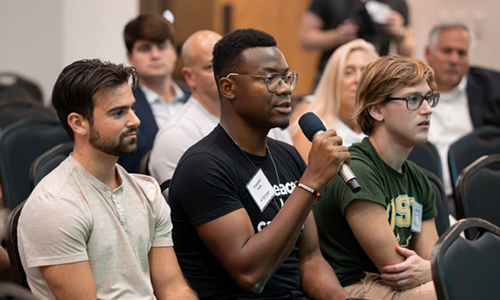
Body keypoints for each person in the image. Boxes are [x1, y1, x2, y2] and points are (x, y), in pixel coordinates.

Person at [168, 28, 352, 300]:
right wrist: (310, 182)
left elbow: (310, 261)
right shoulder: (203, 167)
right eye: (270, 79)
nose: (287, 88)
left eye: (287, 77)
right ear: (228, 88)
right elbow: (251, 276)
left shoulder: (287, 156)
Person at [17, 59, 197, 300]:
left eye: (132, 108)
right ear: (78, 123)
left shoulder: (148, 191)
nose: (135, 120)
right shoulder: (54, 206)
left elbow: (174, 289)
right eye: (119, 112)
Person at [314, 55, 439, 299]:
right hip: (353, 287)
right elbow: (394, 267)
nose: (427, 109)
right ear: (377, 109)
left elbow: (427, 257)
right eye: (413, 99)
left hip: (395, 284)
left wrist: (431, 268)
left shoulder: (418, 179)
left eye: (429, 98)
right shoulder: (356, 169)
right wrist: (434, 268)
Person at [149, 30, 293, 185]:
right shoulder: (177, 135)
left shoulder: (266, 116)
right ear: (190, 77)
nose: (223, 72)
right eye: (211, 66)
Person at [425, 23, 500, 197]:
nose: (454, 60)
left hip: (482, 195)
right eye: (446, 51)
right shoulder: (410, 93)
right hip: (427, 196)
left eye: (461, 53)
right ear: (428, 53)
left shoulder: (492, 88)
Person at [119, 14, 189, 173]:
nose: (155, 55)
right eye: (145, 48)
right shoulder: (121, 108)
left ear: (174, 52)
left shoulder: (195, 100)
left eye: (162, 46)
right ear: (130, 57)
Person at [289, 39, 378, 163]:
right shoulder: (313, 122)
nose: (358, 79)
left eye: (365, 72)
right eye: (348, 72)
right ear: (333, 81)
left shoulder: (383, 127)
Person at [298, 0, 415, 88]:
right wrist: (338, 36)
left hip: (375, 79)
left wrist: (400, 32)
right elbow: (305, 38)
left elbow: (407, 51)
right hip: (332, 77)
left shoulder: (396, 2)